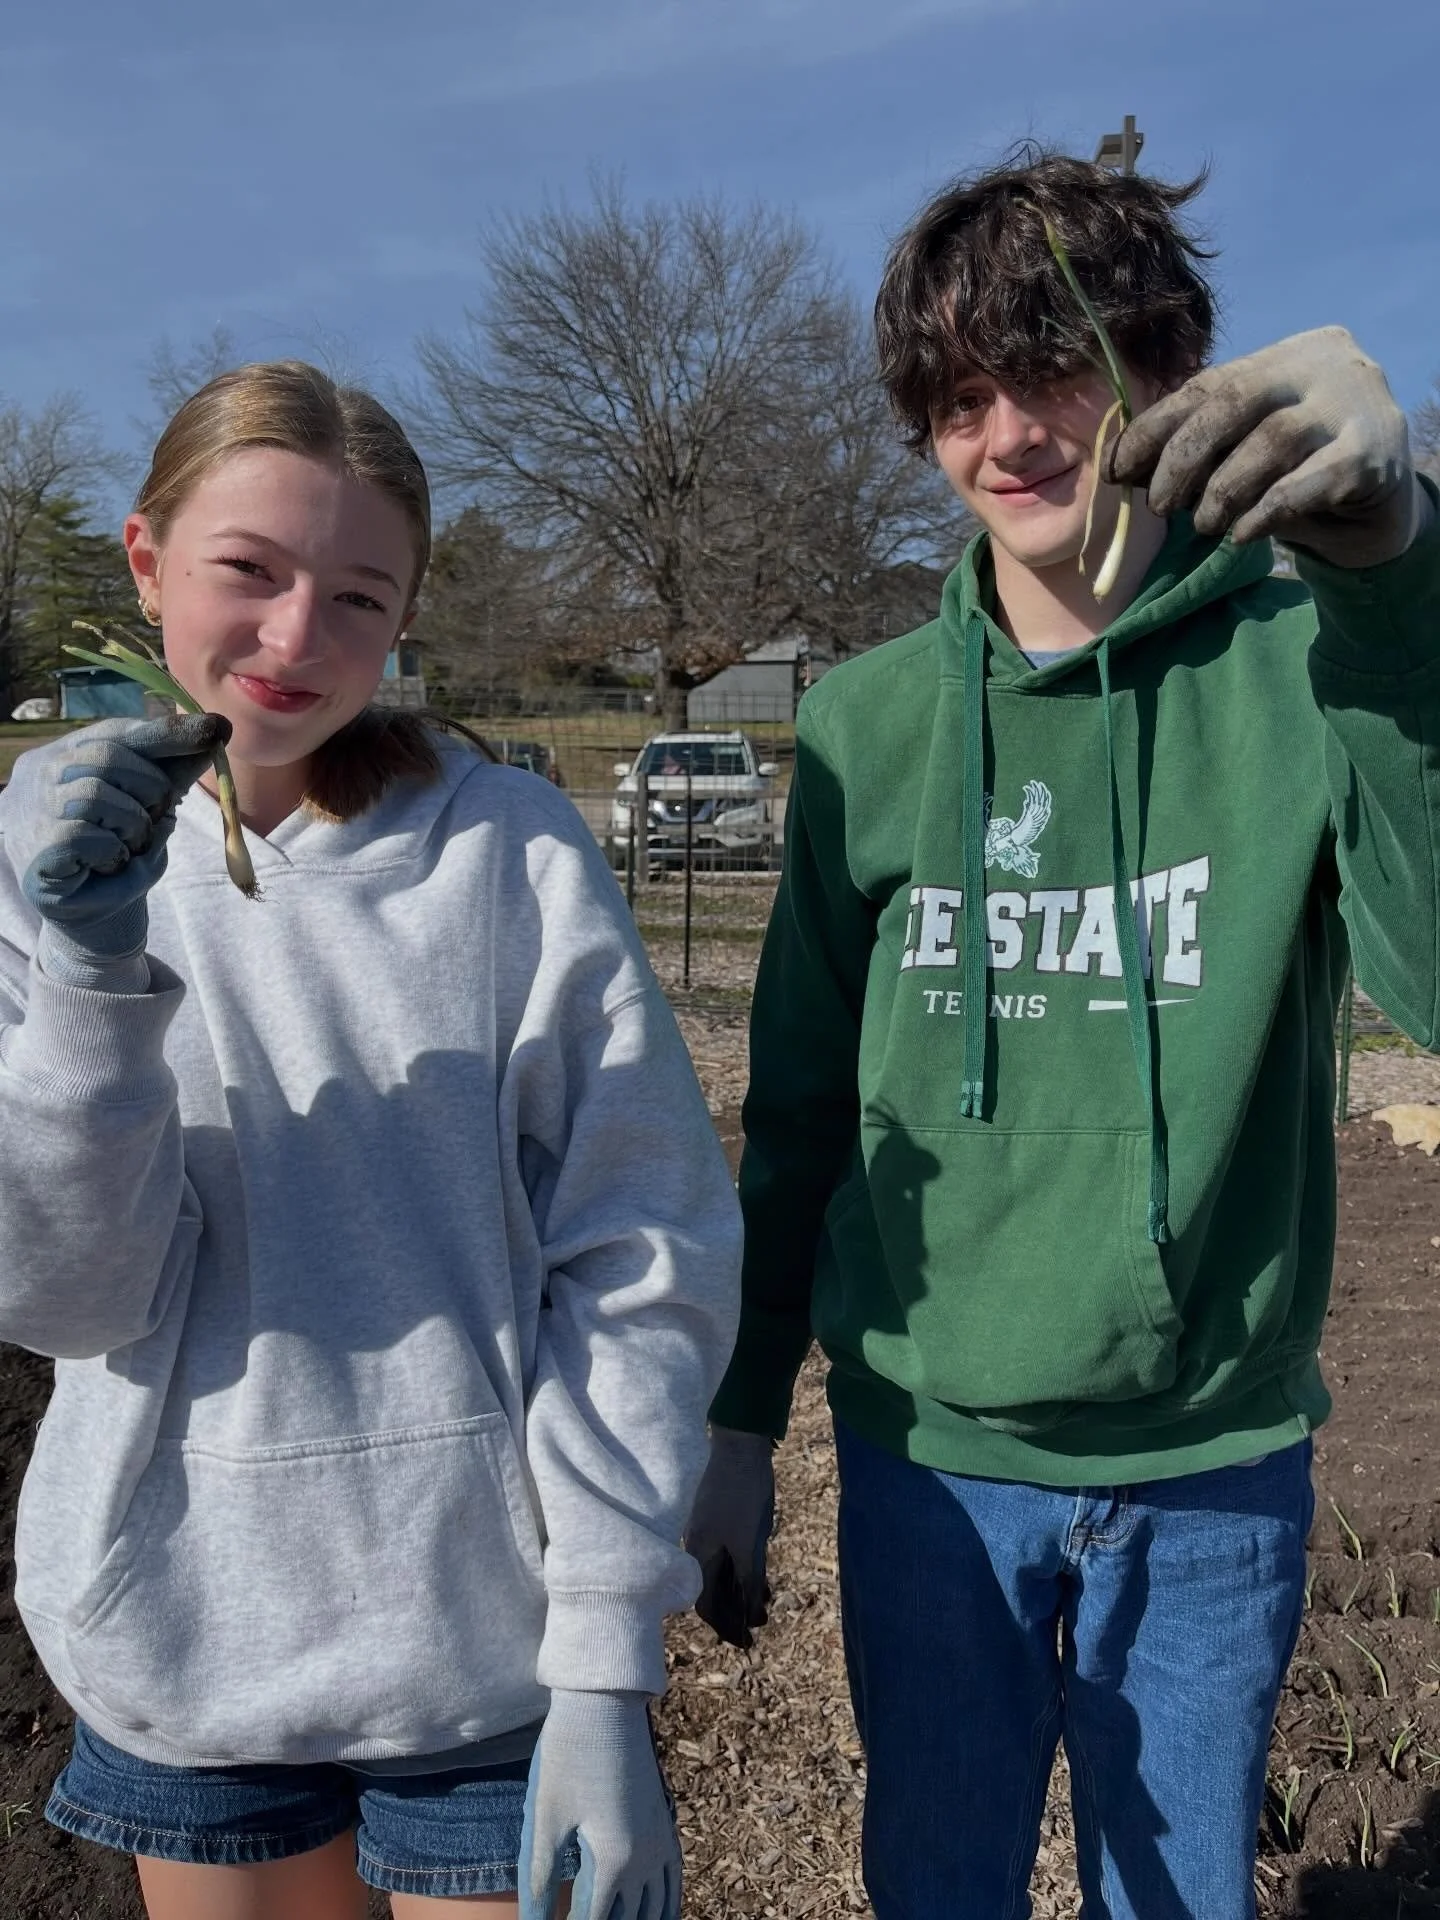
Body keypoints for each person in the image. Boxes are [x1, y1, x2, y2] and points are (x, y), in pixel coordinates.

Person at [685, 150, 1440, 1919]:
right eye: (958, 397)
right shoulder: (870, 727)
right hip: (928, 1464)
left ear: (1166, 372)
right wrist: (736, 1418)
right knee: (936, 1883)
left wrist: (1403, 586)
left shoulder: (1302, 661)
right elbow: (795, 1103)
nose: (1009, 433)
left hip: (1211, 1468)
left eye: (1057, 372)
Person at [0, 360, 741, 1920]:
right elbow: (63, 1299)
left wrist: (606, 1663)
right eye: (247, 573)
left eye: (356, 596)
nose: (293, 640)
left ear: (405, 618)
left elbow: (639, 1252)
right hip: (187, 1630)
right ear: (145, 558)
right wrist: (87, 978)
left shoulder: (507, 853)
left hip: (489, 1645)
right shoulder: (39, 855)